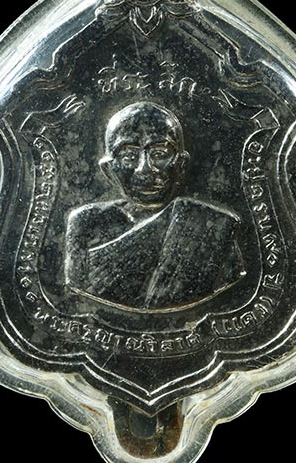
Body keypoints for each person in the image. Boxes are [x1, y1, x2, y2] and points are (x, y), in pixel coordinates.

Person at [65, 102, 245, 309]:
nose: (145, 170)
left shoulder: (211, 226)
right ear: (108, 169)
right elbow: (75, 293)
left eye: (160, 154)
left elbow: (232, 288)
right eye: (129, 156)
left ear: (181, 164)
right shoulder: (86, 223)